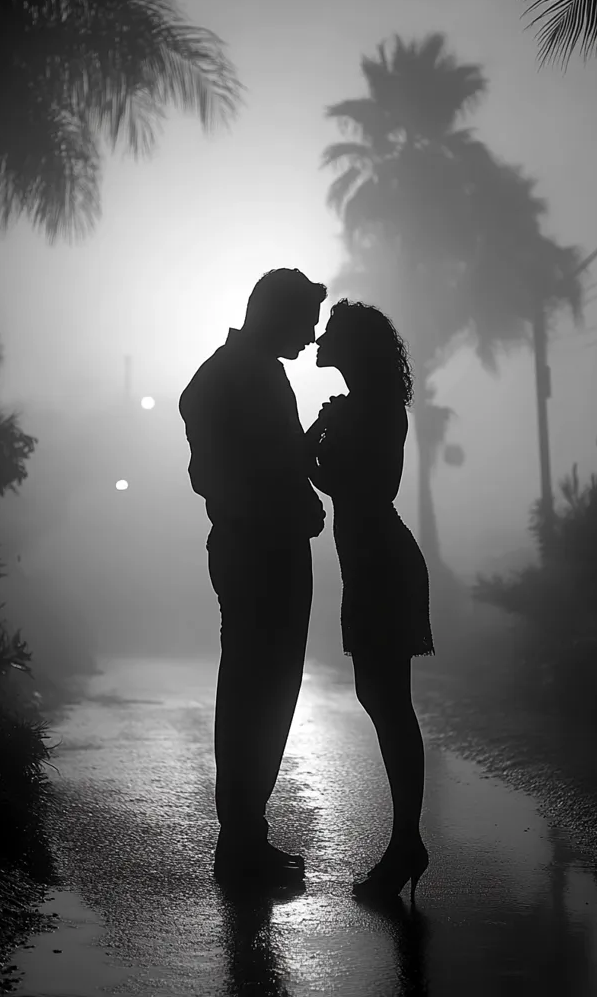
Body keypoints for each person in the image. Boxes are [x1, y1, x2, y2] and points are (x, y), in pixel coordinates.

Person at [179, 268, 327, 886]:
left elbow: (258, 458)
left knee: (258, 687)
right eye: (304, 323)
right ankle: (241, 839)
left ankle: (244, 833)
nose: (310, 338)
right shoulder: (241, 373)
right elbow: (221, 468)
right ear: (276, 314)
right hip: (261, 548)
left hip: (259, 543)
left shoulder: (242, 370)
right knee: (260, 689)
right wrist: (276, 502)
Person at [305, 299, 433, 902]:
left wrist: (318, 443)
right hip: (370, 562)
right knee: (382, 700)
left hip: (381, 562)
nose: (320, 341)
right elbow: (325, 470)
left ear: (353, 348)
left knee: (389, 704)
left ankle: (406, 841)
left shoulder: (376, 408)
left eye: (331, 333)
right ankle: (406, 840)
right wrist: (322, 434)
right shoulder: (361, 406)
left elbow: (364, 486)